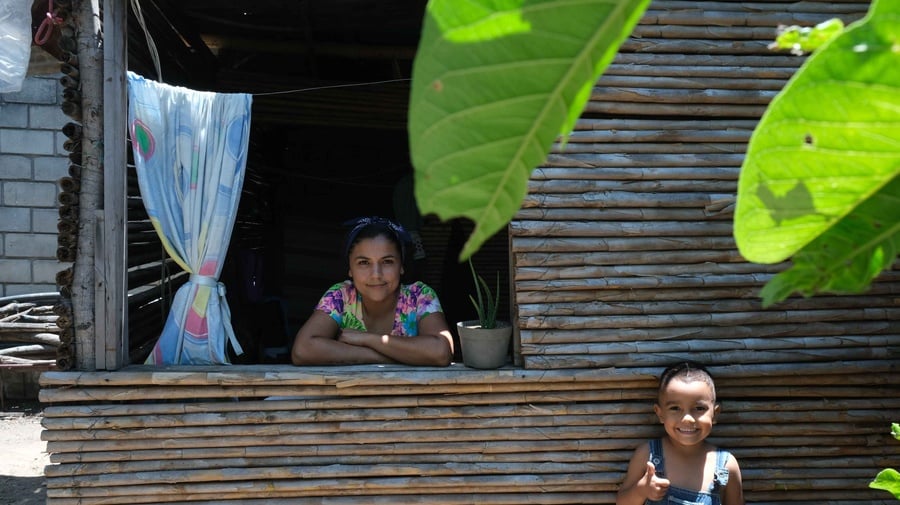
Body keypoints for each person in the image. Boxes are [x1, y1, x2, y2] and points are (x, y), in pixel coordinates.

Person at [291, 216, 454, 366]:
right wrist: (387, 355)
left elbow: (441, 352)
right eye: (363, 263)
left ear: (401, 266)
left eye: (387, 261)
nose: (376, 274)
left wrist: (366, 339)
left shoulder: (419, 296)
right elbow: (303, 350)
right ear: (350, 269)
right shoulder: (341, 296)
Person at [616, 362, 744, 505]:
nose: (687, 419)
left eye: (699, 408)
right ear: (660, 414)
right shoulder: (647, 455)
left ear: (715, 413)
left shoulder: (726, 465)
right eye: (675, 408)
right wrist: (642, 490)